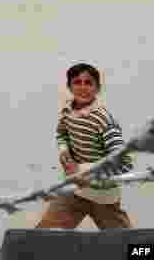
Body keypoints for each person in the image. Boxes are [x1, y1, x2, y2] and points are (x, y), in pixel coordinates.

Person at [35, 63, 133, 230]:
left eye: (88, 83)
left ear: (97, 88)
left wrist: (83, 170)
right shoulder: (67, 111)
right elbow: (62, 134)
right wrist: (64, 151)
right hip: (74, 192)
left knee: (130, 245)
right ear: (69, 86)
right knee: (42, 236)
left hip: (103, 196)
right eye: (77, 82)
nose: (82, 87)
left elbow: (124, 164)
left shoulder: (103, 120)